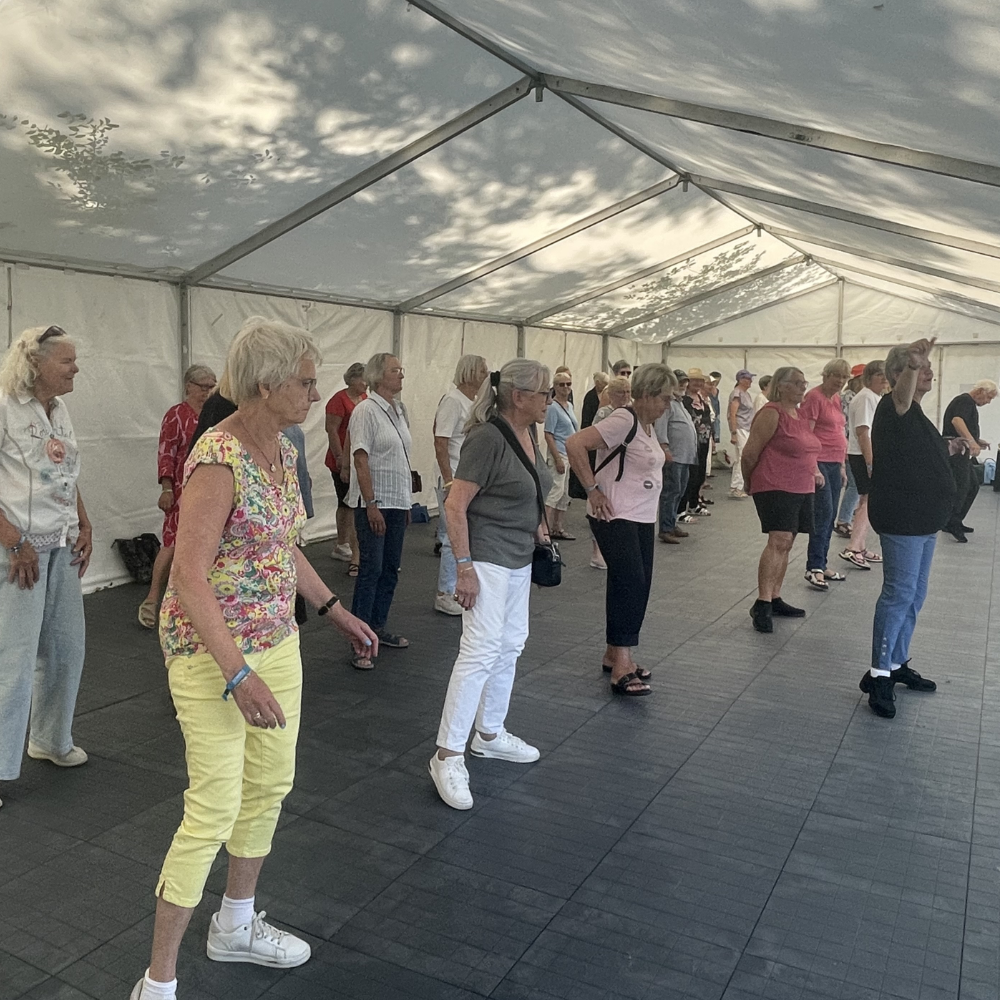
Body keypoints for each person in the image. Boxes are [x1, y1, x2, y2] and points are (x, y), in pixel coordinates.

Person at [132, 317, 377, 1000]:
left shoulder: (283, 443)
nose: (314, 389)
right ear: (268, 385)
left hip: (277, 640)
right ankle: (158, 981)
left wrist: (335, 611)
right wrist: (236, 673)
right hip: (211, 651)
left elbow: (281, 545)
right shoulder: (218, 455)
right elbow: (187, 574)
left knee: (269, 786)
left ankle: (234, 926)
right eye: (304, 380)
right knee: (212, 806)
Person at [428, 360, 553, 810]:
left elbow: (531, 487)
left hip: (518, 557)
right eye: (544, 393)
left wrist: (538, 526)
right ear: (518, 396)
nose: (549, 400)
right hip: (487, 558)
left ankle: (490, 733)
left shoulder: (529, 433)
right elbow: (455, 504)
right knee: (480, 651)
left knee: (511, 643)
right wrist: (463, 567)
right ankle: (447, 755)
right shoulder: (486, 437)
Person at [0, 325, 92, 811]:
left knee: (65, 648)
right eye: (67, 361)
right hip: (18, 554)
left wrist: (84, 521)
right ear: (35, 364)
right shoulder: (3, 407)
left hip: (58, 546)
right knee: (12, 660)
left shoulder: (58, 410)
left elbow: (64, 473)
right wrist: (15, 543)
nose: (76, 368)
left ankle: (50, 739)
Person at [860, 339, 955, 718]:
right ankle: (879, 674)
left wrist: (950, 449)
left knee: (915, 595)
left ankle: (896, 661)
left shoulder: (915, 413)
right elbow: (900, 395)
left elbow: (913, 453)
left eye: (928, 366)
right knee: (898, 595)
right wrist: (913, 363)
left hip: (924, 520)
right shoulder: (893, 405)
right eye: (920, 367)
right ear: (899, 374)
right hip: (903, 518)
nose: (928, 372)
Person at [566, 364, 676, 696]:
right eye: (665, 398)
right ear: (647, 394)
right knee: (631, 583)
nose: (667, 405)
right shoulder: (623, 420)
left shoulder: (646, 425)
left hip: (640, 516)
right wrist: (592, 489)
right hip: (615, 514)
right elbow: (574, 444)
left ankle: (615, 652)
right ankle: (622, 666)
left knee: (632, 582)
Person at [741, 367, 821, 633]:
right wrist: (749, 481)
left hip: (801, 485)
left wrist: (816, 471)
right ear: (782, 386)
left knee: (788, 542)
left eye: (804, 383)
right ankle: (762, 602)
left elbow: (808, 448)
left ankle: (774, 596)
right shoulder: (771, 413)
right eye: (796, 383)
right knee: (779, 540)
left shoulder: (800, 414)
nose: (802, 388)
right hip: (774, 484)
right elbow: (750, 453)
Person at [138, 365, 218, 628]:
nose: (207, 391)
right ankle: (152, 598)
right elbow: (166, 453)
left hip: (209, 488)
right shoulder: (176, 415)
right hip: (181, 490)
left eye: (211, 386)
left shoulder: (214, 414)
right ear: (188, 386)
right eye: (203, 386)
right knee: (171, 543)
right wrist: (166, 488)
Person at [347, 352, 412, 666]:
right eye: (395, 370)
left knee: (390, 570)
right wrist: (371, 503)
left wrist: (406, 501)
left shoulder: (399, 410)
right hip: (375, 502)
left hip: (396, 502)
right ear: (377, 376)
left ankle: (377, 627)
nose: (401, 375)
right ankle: (359, 638)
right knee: (371, 570)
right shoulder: (365, 411)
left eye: (401, 370)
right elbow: (361, 458)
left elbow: (400, 457)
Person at [432, 354, 489, 615]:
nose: (486, 374)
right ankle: (445, 592)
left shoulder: (474, 402)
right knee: (449, 536)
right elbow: (440, 441)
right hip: (453, 477)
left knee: (462, 534)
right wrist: (447, 478)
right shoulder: (453, 401)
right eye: (482, 370)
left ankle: (457, 587)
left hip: (466, 478)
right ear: (469, 373)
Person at [801, 359, 850, 591]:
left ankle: (822, 563)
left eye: (844, 377)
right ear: (826, 375)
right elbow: (807, 434)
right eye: (836, 376)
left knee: (829, 517)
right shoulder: (814, 397)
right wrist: (814, 467)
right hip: (819, 462)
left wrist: (841, 466)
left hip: (834, 462)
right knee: (823, 514)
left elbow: (839, 430)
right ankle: (814, 567)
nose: (840, 381)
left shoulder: (837, 398)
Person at [842, 360, 889, 569]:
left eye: (886, 375)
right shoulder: (866, 398)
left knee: (866, 501)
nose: (885, 379)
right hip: (862, 456)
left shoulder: (874, 397)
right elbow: (863, 431)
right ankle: (853, 547)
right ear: (868, 378)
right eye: (880, 375)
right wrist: (871, 462)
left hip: (865, 455)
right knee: (868, 501)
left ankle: (859, 545)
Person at [325, 362, 367, 576]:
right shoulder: (338, 400)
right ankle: (343, 543)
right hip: (341, 457)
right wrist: (340, 456)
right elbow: (332, 430)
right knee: (346, 502)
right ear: (351, 379)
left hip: (358, 457)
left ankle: (345, 543)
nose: (365, 383)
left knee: (351, 502)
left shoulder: (365, 399)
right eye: (362, 379)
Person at [941, 379, 997, 542]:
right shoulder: (965, 401)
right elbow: (957, 421)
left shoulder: (967, 403)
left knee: (972, 485)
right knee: (963, 486)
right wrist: (971, 442)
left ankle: (954, 520)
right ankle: (953, 522)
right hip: (957, 450)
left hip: (961, 449)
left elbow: (961, 425)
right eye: (989, 398)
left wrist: (977, 440)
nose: (988, 402)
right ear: (980, 392)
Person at [587, 375, 631, 569]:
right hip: (607, 463)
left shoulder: (632, 412)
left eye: (628, 392)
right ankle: (597, 551)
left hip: (626, 466)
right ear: (611, 395)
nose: (625, 396)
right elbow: (594, 437)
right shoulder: (604, 413)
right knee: (600, 508)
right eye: (621, 392)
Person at [655, 371, 698, 543]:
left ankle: (671, 523)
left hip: (684, 456)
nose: (683, 385)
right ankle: (665, 528)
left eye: (684, 382)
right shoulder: (668, 404)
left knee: (679, 491)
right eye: (679, 382)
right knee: (670, 492)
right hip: (674, 455)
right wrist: (664, 448)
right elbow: (661, 427)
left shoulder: (679, 403)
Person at [543, 367, 578, 540]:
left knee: (564, 493)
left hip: (569, 453)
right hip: (559, 453)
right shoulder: (552, 408)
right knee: (554, 492)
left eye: (568, 384)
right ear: (555, 387)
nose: (566, 387)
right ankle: (545, 529)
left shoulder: (569, 405)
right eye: (562, 384)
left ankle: (558, 527)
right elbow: (548, 433)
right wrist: (557, 458)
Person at [834, 365, 865, 536]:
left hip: (850, 444)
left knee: (852, 485)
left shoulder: (853, 397)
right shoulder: (850, 398)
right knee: (854, 485)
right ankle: (843, 520)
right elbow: (845, 425)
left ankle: (846, 517)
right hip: (850, 445)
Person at [681, 368, 713, 517]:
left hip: (704, 440)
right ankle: (682, 507)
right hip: (690, 442)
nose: (697, 383)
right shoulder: (683, 399)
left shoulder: (702, 398)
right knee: (690, 475)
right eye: (694, 380)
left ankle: (694, 503)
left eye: (700, 381)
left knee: (700, 474)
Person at [727, 369, 756, 498]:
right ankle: (736, 487)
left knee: (742, 457)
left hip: (746, 428)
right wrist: (733, 432)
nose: (750, 381)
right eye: (747, 379)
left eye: (750, 379)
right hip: (740, 428)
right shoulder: (737, 393)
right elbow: (733, 414)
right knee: (741, 457)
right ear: (740, 380)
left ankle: (738, 485)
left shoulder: (746, 394)